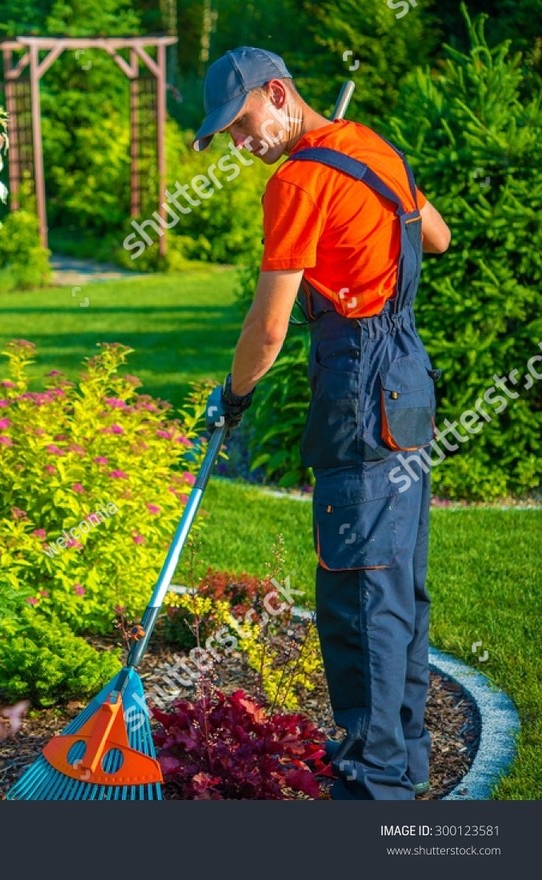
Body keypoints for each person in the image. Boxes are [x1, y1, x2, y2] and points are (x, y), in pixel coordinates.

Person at [193, 47, 451, 800]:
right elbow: (434, 236)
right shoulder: (367, 145)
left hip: (358, 385)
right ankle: (402, 766)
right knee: (395, 581)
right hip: (406, 374)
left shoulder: (299, 181)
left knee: (358, 595)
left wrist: (233, 399)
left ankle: (373, 790)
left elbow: (269, 330)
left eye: (244, 127)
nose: (244, 148)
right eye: (231, 139)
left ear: (279, 94)